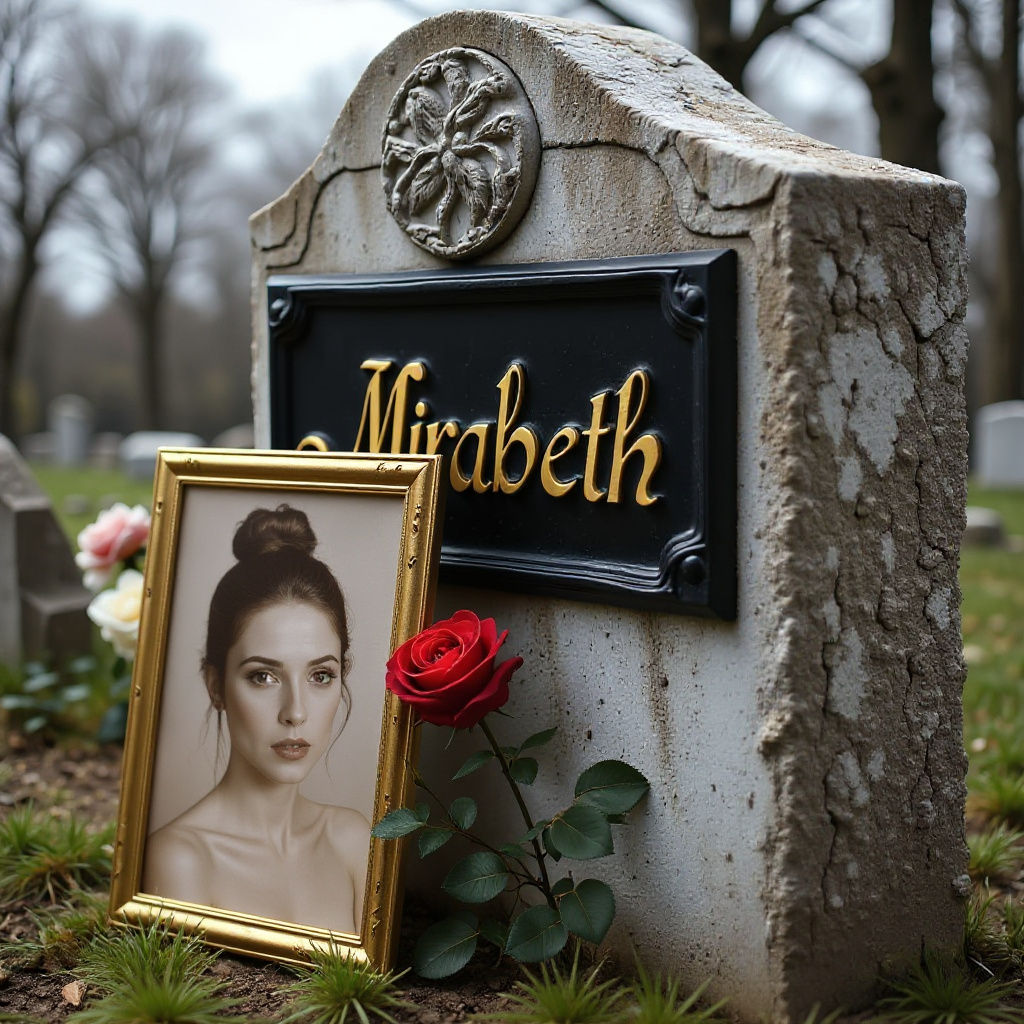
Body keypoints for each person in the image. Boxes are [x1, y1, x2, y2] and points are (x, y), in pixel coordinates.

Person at [143, 505, 370, 934]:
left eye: (321, 675)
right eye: (263, 676)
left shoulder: (351, 840)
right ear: (216, 684)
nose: (296, 712)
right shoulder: (179, 860)